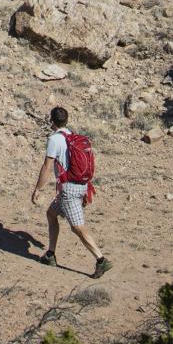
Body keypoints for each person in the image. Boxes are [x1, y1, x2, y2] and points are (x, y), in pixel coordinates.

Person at [31, 105, 112, 277]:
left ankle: (101, 260)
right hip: (79, 186)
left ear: (51, 121)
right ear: (66, 121)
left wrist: (38, 188)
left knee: (78, 227)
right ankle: (50, 255)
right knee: (51, 214)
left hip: (69, 190)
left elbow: (47, 167)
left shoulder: (54, 139)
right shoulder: (72, 136)